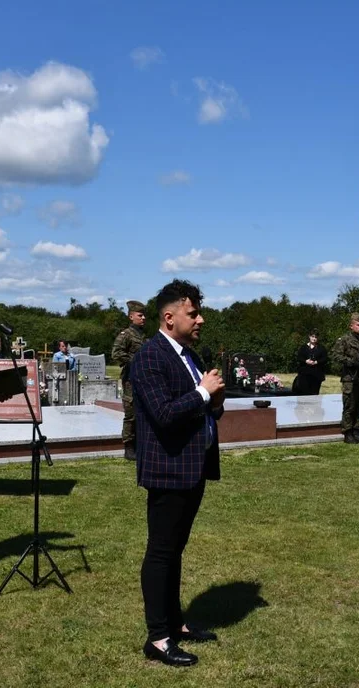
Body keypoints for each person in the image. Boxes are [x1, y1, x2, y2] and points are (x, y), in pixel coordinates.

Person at [130, 279, 224, 667]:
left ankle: (175, 623)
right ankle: (158, 638)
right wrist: (203, 393)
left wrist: (213, 399)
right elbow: (165, 414)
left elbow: (204, 408)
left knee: (175, 551)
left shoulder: (189, 355)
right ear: (169, 318)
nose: (200, 319)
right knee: (161, 552)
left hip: (193, 468)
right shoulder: (150, 357)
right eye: (192, 313)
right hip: (168, 470)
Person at [112, 300, 147, 460]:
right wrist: (133, 361)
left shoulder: (143, 335)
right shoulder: (126, 334)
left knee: (142, 412)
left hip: (143, 380)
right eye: (140, 315)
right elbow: (116, 353)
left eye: (144, 315)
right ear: (131, 316)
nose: (143, 318)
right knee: (131, 414)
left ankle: (140, 445)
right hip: (130, 380)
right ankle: (129, 447)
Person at [331, 312, 359, 444]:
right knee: (349, 405)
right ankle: (347, 432)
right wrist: (351, 362)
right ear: (351, 326)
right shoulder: (344, 340)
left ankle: (356, 431)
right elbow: (336, 355)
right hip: (350, 377)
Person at [293, 330, 328, 395]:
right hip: (304, 375)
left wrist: (316, 362)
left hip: (316, 375)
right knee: (304, 394)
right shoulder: (303, 347)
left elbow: (325, 359)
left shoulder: (321, 348)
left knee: (314, 394)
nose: (314, 339)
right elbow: (299, 357)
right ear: (309, 337)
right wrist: (306, 361)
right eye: (312, 336)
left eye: (316, 337)